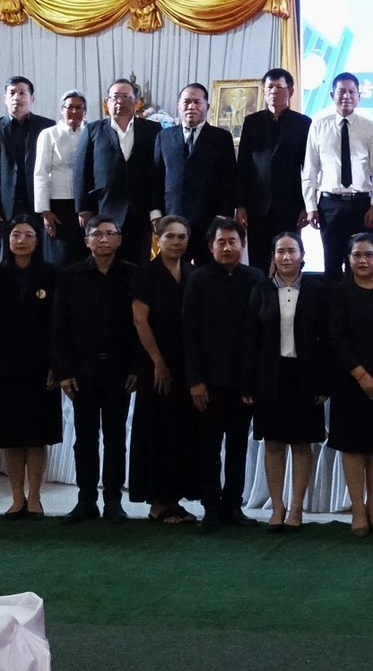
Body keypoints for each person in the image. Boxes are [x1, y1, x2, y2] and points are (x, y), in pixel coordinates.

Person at [52, 216, 152, 523]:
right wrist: (64, 371)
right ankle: (86, 500)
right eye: (97, 234)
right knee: (84, 438)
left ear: (120, 240)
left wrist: (136, 367)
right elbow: (59, 327)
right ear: (87, 241)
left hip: (120, 371)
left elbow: (141, 327)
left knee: (115, 438)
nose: (104, 239)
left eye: (110, 234)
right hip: (81, 371)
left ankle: (113, 501)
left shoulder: (133, 275)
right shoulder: (70, 276)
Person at [183, 216, 267, 531]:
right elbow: (189, 332)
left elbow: (259, 334)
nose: (227, 247)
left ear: (243, 245)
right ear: (210, 247)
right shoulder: (198, 279)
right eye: (221, 242)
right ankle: (211, 508)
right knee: (208, 446)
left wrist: (252, 381)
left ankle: (234, 506)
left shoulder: (256, 278)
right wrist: (196, 381)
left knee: (237, 446)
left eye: (233, 242)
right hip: (208, 381)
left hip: (243, 382)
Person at [244, 233, 330, 532]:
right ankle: (277, 507)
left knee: (302, 444)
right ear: (273, 256)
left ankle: (296, 508)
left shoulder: (318, 290)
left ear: (302, 255)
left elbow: (326, 341)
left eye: (292, 250)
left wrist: (324, 383)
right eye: (280, 251)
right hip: (270, 376)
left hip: (305, 376)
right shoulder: (261, 289)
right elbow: (250, 339)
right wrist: (248, 383)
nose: (286, 257)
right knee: (274, 444)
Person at [0, 221, 61, 519]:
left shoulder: (51, 274)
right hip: (4, 367)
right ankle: (17, 497)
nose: (22, 240)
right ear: (7, 239)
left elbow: (59, 324)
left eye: (29, 235)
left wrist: (57, 364)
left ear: (38, 241)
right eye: (16, 234)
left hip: (41, 367)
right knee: (11, 436)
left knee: (37, 437)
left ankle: (35, 497)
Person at [326, 232, 373, 536]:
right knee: (353, 447)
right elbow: (336, 337)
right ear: (348, 259)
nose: (362, 260)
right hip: (349, 381)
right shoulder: (338, 291)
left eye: (368, 255)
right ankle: (358, 510)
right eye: (356, 255)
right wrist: (361, 375)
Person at [131, 216, 200, 523]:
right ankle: (157, 502)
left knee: (181, 433)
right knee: (156, 432)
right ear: (158, 239)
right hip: (155, 365)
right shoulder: (146, 274)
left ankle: (174, 499)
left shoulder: (193, 273)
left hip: (186, 365)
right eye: (170, 236)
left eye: (182, 237)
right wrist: (158, 362)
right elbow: (140, 320)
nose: (176, 242)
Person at [303, 72, 373, 283]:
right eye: (341, 91)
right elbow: (310, 169)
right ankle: (333, 305)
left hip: (361, 205)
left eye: (351, 92)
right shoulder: (318, 126)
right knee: (331, 264)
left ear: (359, 96)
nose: (346, 96)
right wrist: (311, 206)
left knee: (359, 265)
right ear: (332, 95)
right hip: (330, 205)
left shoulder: (370, 128)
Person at [77, 78, 164, 268]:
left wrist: (155, 210)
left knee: (138, 265)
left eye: (126, 96)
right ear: (107, 102)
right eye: (115, 97)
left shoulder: (152, 130)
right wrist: (83, 208)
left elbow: (157, 172)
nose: (120, 101)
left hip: (140, 210)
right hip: (104, 208)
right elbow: (81, 170)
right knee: (105, 263)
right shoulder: (93, 130)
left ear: (136, 102)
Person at [235, 68, 313, 274]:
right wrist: (240, 205)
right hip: (257, 205)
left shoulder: (303, 123)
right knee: (258, 261)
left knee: (289, 259)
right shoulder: (252, 122)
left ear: (291, 91)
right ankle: (261, 294)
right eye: (269, 87)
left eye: (279, 87)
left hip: (290, 206)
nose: (274, 92)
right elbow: (243, 165)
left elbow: (309, 168)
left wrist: (306, 205)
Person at [159, 83, 237, 267]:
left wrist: (223, 217)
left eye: (197, 102)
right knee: (172, 271)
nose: (191, 106)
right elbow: (156, 176)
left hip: (209, 220)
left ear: (207, 106)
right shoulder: (164, 136)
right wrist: (156, 213)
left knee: (209, 272)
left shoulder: (221, 138)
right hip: (173, 218)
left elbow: (229, 180)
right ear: (178, 106)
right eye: (186, 102)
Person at [0, 75, 55, 263]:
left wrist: (50, 205)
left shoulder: (47, 126)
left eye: (22, 93)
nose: (17, 97)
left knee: (42, 254)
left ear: (32, 98)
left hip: (38, 202)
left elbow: (53, 168)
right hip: (4, 205)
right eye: (12, 93)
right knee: (6, 256)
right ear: (4, 98)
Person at [32, 90, 90, 266]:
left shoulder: (90, 132)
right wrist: (44, 210)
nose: (74, 111)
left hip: (84, 203)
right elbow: (40, 172)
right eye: (69, 107)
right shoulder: (49, 134)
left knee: (84, 253)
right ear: (61, 109)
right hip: (57, 204)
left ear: (85, 111)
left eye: (79, 107)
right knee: (60, 256)